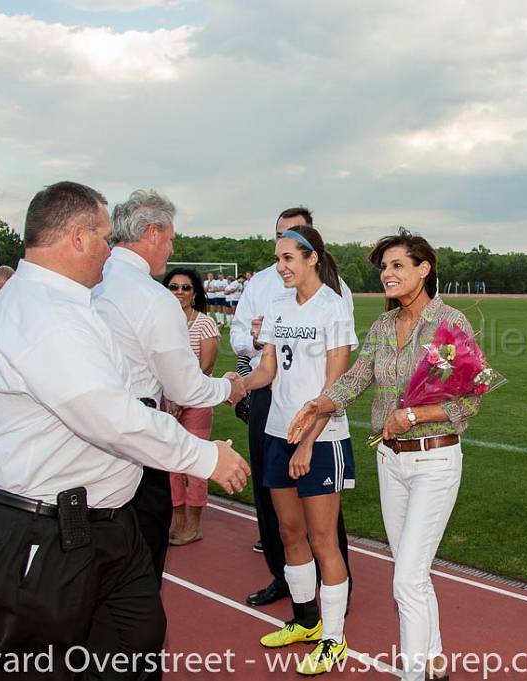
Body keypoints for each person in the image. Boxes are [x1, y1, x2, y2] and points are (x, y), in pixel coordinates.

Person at [0, 181, 250, 680]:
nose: (110, 248)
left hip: (100, 525)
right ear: (77, 238)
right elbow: (110, 415)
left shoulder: (72, 305)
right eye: (103, 236)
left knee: (135, 646)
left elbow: (124, 401)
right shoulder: (43, 314)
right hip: (44, 530)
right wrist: (206, 457)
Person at [288, 228, 484, 681]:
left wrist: (413, 417)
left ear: (424, 269)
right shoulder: (381, 327)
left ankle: (414, 673)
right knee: (412, 573)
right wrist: (319, 402)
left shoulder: (449, 325)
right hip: (390, 463)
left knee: (407, 580)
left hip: (434, 460)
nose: (387, 274)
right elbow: (357, 379)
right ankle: (433, 661)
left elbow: (470, 399)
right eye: (384, 267)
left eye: (398, 265)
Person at [92, 189, 247, 582]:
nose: (172, 246)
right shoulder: (152, 297)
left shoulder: (94, 282)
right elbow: (186, 389)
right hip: (138, 438)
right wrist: (229, 388)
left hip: (89, 436)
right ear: (153, 232)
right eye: (172, 237)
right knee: (139, 573)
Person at [241, 224, 356, 675]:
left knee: (324, 538)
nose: (281, 266)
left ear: (312, 258)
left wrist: (308, 440)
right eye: (277, 258)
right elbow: (268, 367)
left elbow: (337, 386)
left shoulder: (333, 308)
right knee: (289, 532)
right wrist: (235, 385)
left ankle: (333, 638)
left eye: (288, 257)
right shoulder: (276, 305)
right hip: (276, 433)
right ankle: (306, 621)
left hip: (322, 439)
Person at [163, 267, 220, 546]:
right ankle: (179, 523)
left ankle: (194, 526)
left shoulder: (204, 324)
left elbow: (205, 367)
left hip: (196, 402)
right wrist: (170, 399)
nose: (179, 293)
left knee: (195, 465)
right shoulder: (160, 323)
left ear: (194, 293)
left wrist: (181, 398)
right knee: (171, 465)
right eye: (174, 287)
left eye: (185, 288)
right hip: (168, 402)